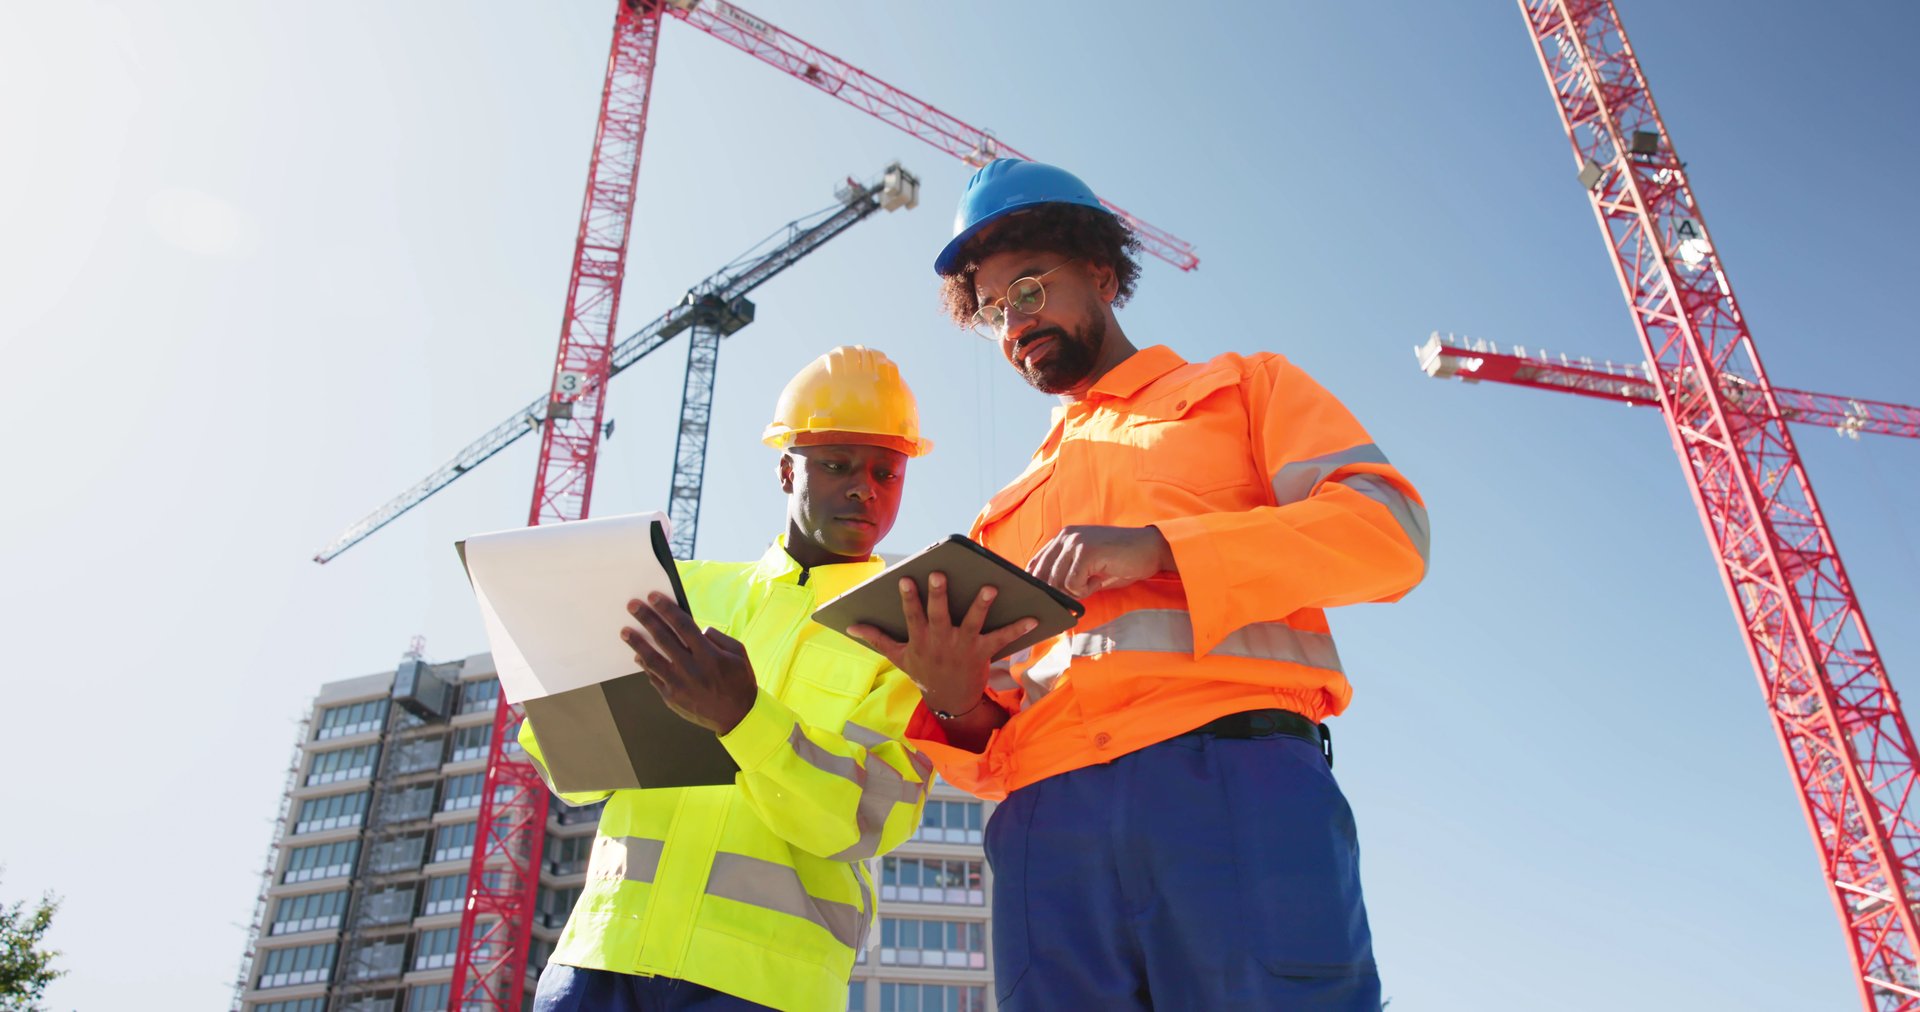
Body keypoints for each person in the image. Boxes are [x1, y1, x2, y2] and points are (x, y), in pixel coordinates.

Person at [847, 160, 1431, 1010]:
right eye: (994, 312)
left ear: (1104, 273)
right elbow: (990, 735)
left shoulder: (1241, 391)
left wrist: (1161, 547)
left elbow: (1389, 535)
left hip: (1232, 787)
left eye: (1032, 291)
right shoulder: (997, 519)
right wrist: (953, 696)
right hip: (1045, 833)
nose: (1014, 325)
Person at [522, 346, 938, 1012]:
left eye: (887, 472)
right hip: (601, 959)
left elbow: (869, 818)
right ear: (785, 471)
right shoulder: (680, 590)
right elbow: (566, 765)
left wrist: (746, 719)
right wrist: (560, 678)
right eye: (837, 465)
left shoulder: (910, 635)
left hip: (768, 983)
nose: (865, 487)